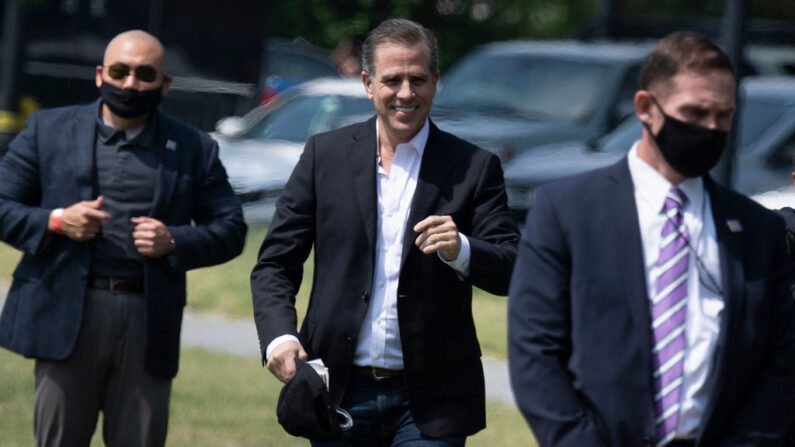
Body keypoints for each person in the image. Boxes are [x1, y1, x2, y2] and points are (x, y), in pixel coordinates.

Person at [508, 31, 795, 447]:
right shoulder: (567, 210)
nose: (711, 129)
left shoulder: (755, 228)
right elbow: (534, 351)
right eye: (695, 113)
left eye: (724, 115)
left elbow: (779, 362)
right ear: (646, 107)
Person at [251, 18, 519, 446]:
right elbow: (275, 264)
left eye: (418, 79)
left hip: (432, 399)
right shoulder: (326, 156)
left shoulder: (474, 167)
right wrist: (280, 337)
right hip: (338, 391)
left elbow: (511, 268)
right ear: (367, 83)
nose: (406, 94)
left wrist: (462, 250)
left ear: (436, 81)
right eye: (392, 80)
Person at [0, 30, 246, 446]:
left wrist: (175, 241)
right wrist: (56, 222)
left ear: (165, 84)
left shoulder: (193, 147)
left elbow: (231, 230)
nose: (130, 83)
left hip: (147, 319)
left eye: (145, 74)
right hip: (67, 315)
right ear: (100, 75)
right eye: (119, 71)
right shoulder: (48, 130)